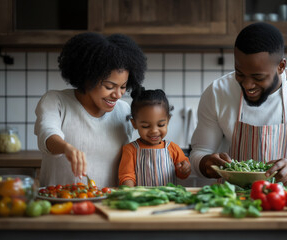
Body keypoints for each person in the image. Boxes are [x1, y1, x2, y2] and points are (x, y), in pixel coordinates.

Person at [189, 22, 287, 187]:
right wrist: (206, 163)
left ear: (281, 66)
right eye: (240, 74)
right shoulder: (217, 93)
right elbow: (198, 155)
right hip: (230, 200)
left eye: (258, 77)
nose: (248, 85)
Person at [35, 32, 147, 187]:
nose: (117, 95)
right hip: (60, 204)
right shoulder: (55, 101)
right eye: (109, 86)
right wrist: (67, 148)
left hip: (109, 205)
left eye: (123, 87)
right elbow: (47, 135)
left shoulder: (124, 111)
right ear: (88, 78)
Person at [119, 87, 191, 187]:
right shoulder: (130, 150)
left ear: (168, 120)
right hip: (142, 200)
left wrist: (185, 169)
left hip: (168, 200)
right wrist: (129, 192)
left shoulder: (173, 148)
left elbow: (183, 175)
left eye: (161, 125)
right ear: (134, 124)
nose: (154, 131)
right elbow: (127, 176)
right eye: (146, 126)